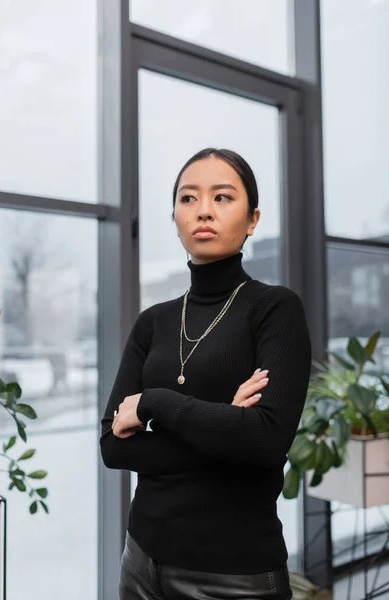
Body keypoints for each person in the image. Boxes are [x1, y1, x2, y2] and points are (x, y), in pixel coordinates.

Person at [100, 148, 312, 600]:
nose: (204, 211)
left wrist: (154, 404)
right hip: (140, 562)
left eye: (223, 197)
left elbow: (265, 440)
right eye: (189, 198)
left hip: (235, 576)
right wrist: (224, 424)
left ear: (253, 219)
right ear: (175, 216)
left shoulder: (275, 309)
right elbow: (112, 447)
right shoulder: (152, 321)